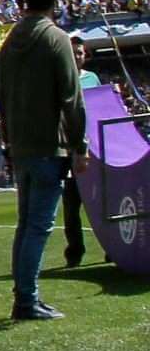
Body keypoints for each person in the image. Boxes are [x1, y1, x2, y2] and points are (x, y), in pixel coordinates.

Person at [0, 0, 88, 320]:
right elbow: (72, 98)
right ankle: (26, 300)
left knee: (25, 225)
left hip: (21, 146)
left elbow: (2, 98)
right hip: (50, 146)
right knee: (38, 226)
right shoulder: (56, 39)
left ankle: (24, 294)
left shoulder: (10, 40)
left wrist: (8, 142)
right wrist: (80, 145)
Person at [62, 36, 100, 267]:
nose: (77, 56)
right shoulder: (60, 78)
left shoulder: (92, 79)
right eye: (73, 52)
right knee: (71, 205)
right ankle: (75, 252)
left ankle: (111, 247)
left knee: (100, 202)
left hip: (94, 149)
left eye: (80, 52)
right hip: (69, 150)